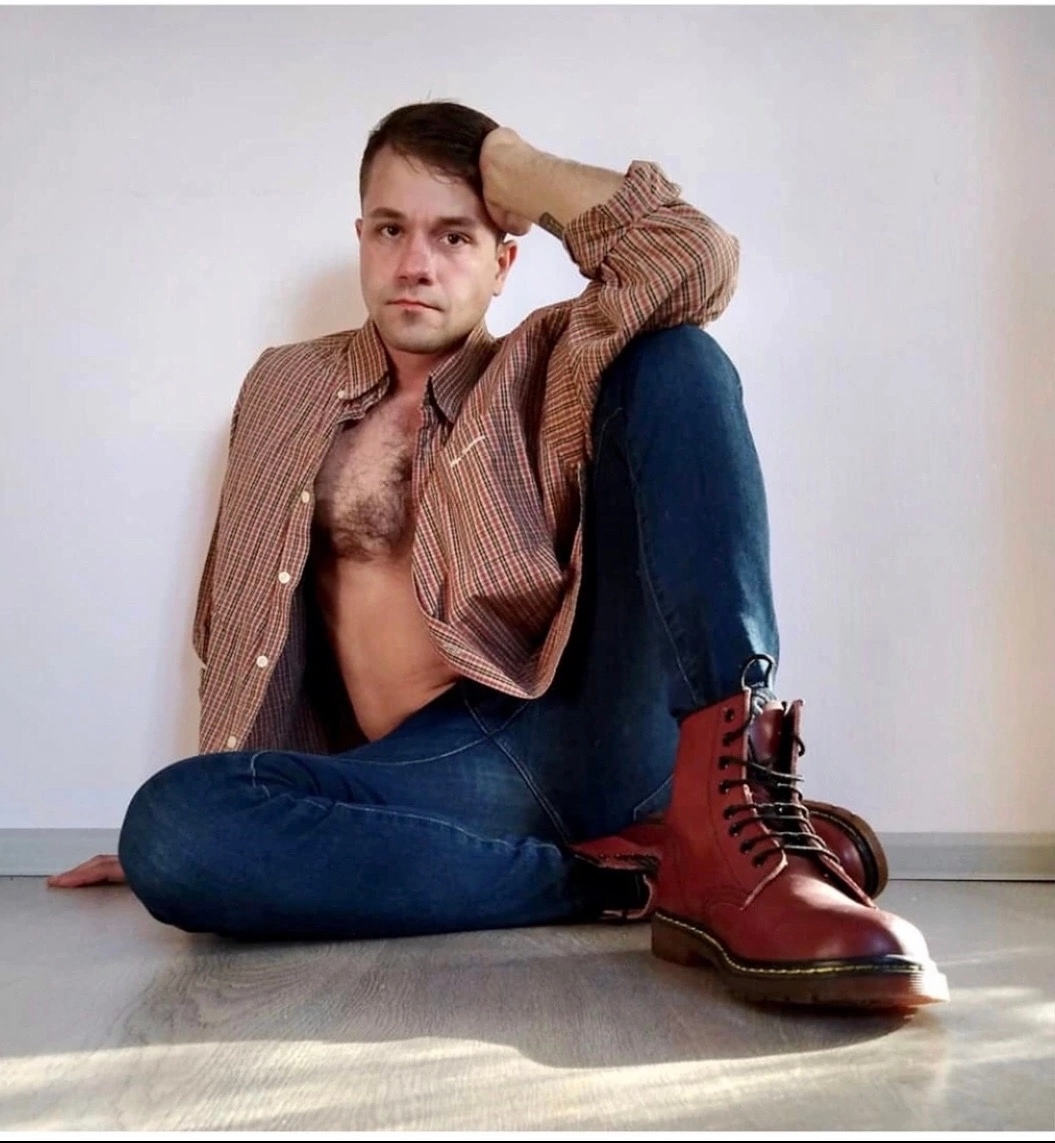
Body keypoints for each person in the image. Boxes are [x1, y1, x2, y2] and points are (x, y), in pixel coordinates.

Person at [50, 101, 948, 1010]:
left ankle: (733, 809)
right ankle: (634, 873)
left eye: (454, 236)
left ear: (503, 262)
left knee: (677, 358)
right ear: (360, 238)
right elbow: (241, 622)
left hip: (588, 729)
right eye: (391, 230)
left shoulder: (549, 363)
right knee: (170, 825)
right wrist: (232, 818)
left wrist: (521, 171)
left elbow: (692, 259)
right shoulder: (284, 388)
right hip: (431, 778)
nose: (415, 264)